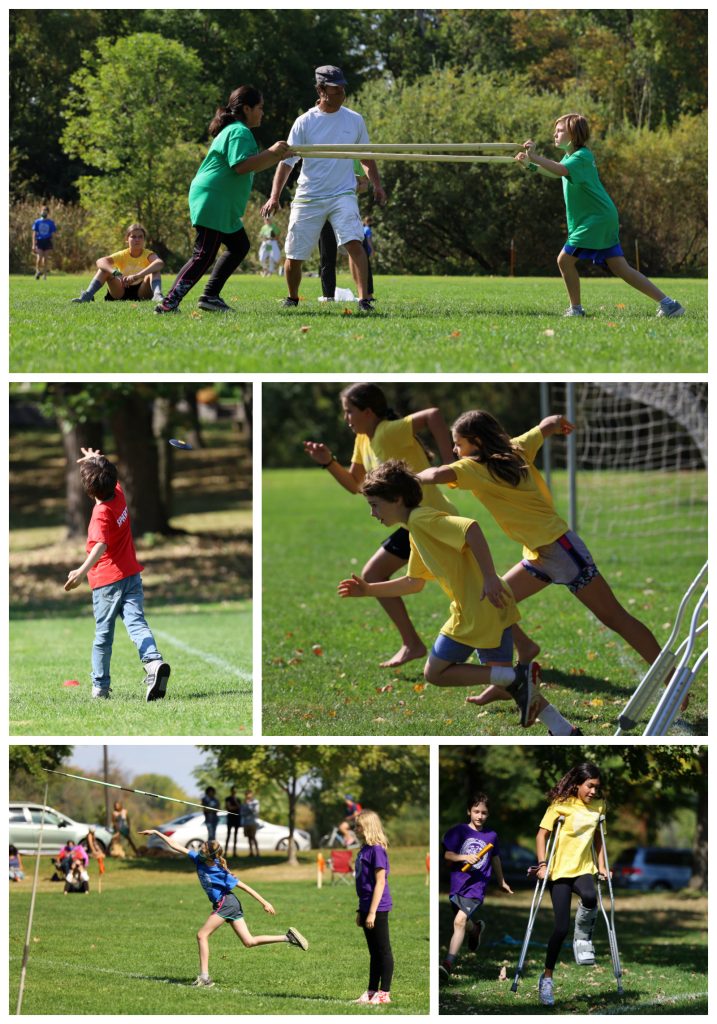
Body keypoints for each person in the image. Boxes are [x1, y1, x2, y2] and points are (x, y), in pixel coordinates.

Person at [417, 410, 668, 694]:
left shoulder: (473, 467)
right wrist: (556, 422)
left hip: (562, 549)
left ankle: (672, 678)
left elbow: (437, 473)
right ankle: (510, 671)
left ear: (475, 441)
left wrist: (412, 477)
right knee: (493, 603)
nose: (454, 450)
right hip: (539, 554)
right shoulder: (516, 448)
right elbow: (543, 426)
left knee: (614, 617)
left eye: (458, 444)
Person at [338, 460, 579, 736]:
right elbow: (414, 582)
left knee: (435, 673)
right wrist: (369, 589)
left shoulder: (422, 520)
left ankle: (514, 676)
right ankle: (563, 729)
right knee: (512, 685)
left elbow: (470, 528)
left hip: (476, 610)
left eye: (375, 504)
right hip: (492, 606)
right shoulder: (414, 529)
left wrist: (489, 576)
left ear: (397, 499)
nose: (372, 513)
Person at [305, 383, 457, 668]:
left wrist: (448, 462)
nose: (346, 418)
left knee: (465, 589)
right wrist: (328, 463)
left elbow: (434, 415)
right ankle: (412, 644)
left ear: (368, 411)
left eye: (349, 412)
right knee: (374, 574)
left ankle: (520, 644)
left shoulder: (389, 430)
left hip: (434, 519)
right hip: (415, 524)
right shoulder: (364, 439)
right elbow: (356, 485)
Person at [516, 114, 684, 319]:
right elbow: (555, 172)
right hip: (601, 217)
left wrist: (534, 156)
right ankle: (669, 305)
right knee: (620, 268)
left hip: (595, 219)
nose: (555, 133)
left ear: (574, 134)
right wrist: (530, 166)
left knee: (564, 261)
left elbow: (559, 171)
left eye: (560, 130)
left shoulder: (582, 156)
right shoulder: (570, 157)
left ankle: (576, 310)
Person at [155, 85, 293, 314]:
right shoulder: (240, 131)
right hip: (213, 199)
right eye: (260, 108)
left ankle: (210, 296)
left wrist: (277, 155)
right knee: (203, 255)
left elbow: (252, 165)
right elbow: (241, 167)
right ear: (247, 109)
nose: (262, 113)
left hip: (218, 201)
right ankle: (169, 303)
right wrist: (272, 152)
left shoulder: (236, 130)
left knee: (239, 246)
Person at [260, 64, 386, 313]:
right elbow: (287, 163)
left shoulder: (354, 120)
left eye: (343, 89)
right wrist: (274, 196)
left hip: (343, 194)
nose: (341, 94)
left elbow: (366, 158)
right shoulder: (305, 122)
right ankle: (292, 297)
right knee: (294, 255)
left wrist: (377, 185)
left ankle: (364, 300)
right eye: (335, 89)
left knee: (353, 242)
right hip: (309, 196)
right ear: (321, 90)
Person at [64, 447, 170, 701]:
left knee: (103, 635)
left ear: (89, 491)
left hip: (107, 582)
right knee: (137, 623)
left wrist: (81, 571)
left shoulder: (101, 513)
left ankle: (100, 688)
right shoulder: (119, 494)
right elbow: (108, 475)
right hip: (131, 576)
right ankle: (154, 663)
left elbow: (101, 545)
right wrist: (95, 460)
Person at [138, 830, 308, 988]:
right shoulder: (198, 858)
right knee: (249, 942)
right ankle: (288, 937)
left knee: (201, 935)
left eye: (203, 848)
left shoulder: (220, 871)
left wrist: (265, 902)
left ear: (209, 855)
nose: (199, 848)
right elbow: (175, 845)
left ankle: (204, 978)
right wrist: (156, 833)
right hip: (229, 904)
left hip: (226, 903)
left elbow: (245, 886)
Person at [534, 762, 607, 1007]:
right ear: (578, 784)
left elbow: (598, 838)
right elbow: (541, 834)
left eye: (597, 787)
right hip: (559, 871)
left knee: (590, 896)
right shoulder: (560, 805)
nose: (594, 792)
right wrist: (542, 864)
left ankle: (583, 937)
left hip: (583, 868)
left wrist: (602, 865)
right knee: (560, 928)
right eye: (590, 786)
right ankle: (546, 978)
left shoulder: (599, 807)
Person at [440, 792, 513, 980]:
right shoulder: (459, 831)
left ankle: (447, 963)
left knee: (458, 921)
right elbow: (448, 855)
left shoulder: (491, 836)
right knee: (463, 922)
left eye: (484, 813)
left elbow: (495, 858)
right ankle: (476, 930)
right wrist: (464, 857)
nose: (480, 816)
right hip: (458, 884)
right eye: (476, 811)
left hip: (476, 886)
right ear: (469, 812)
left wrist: (501, 880)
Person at [352, 809, 394, 1005]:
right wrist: (361, 910)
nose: (355, 829)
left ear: (367, 827)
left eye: (358, 825)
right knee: (373, 953)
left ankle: (384, 993)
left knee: (383, 950)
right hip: (366, 905)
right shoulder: (364, 850)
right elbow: (363, 883)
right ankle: (371, 992)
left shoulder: (377, 850)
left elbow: (380, 882)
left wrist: (372, 912)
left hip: (378, 907)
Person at [71, 223, 164, 304]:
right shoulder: (122, 254)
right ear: (127, 239)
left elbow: (159, 263)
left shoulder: (148, 254)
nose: (137, 239)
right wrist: (116, 273)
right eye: (133, 236)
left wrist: (137, 276)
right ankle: (88, 295)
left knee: (155, 270)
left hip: (142, 292)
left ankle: (157, 295)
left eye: (140, 237)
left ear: (144, 239)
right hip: (120, 290)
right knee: (104, 269)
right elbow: (100, 261)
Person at [31, 204, 57, 279]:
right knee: (39, 258)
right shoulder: (37, 222)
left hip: (47, 241)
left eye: (45, 211)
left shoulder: (50, 223)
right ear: (40, 212)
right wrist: (33, 245)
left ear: (47, 213)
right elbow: (34, 234)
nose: (44, 212)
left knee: (45, 259)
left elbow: (53, 234)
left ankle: (45, 275)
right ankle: (37, 271)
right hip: (39, 241)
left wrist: (53, 244)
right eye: (43, 211)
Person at [240, 790, 260, 858]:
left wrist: (249, 805)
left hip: (252, 822)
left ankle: (257, 852)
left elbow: (256, 812)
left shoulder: (255, 802)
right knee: (248, 838)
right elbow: (241, 813)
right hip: (246, 823)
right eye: (246, 794)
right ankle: (251, 852)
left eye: (249, 794)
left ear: (251, 794)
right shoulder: (244, 803)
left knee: (253, 837)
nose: (248, 796)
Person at [225, 787, 242, 856]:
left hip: (236, 819)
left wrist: (235, 803)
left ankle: (234, 852)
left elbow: (240, 807)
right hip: (230, 818)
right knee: (228, 835)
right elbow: (228, 808)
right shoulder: (228, 799)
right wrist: (235, 807)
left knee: (235, 835)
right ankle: (225, 852)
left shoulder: (238, 799)